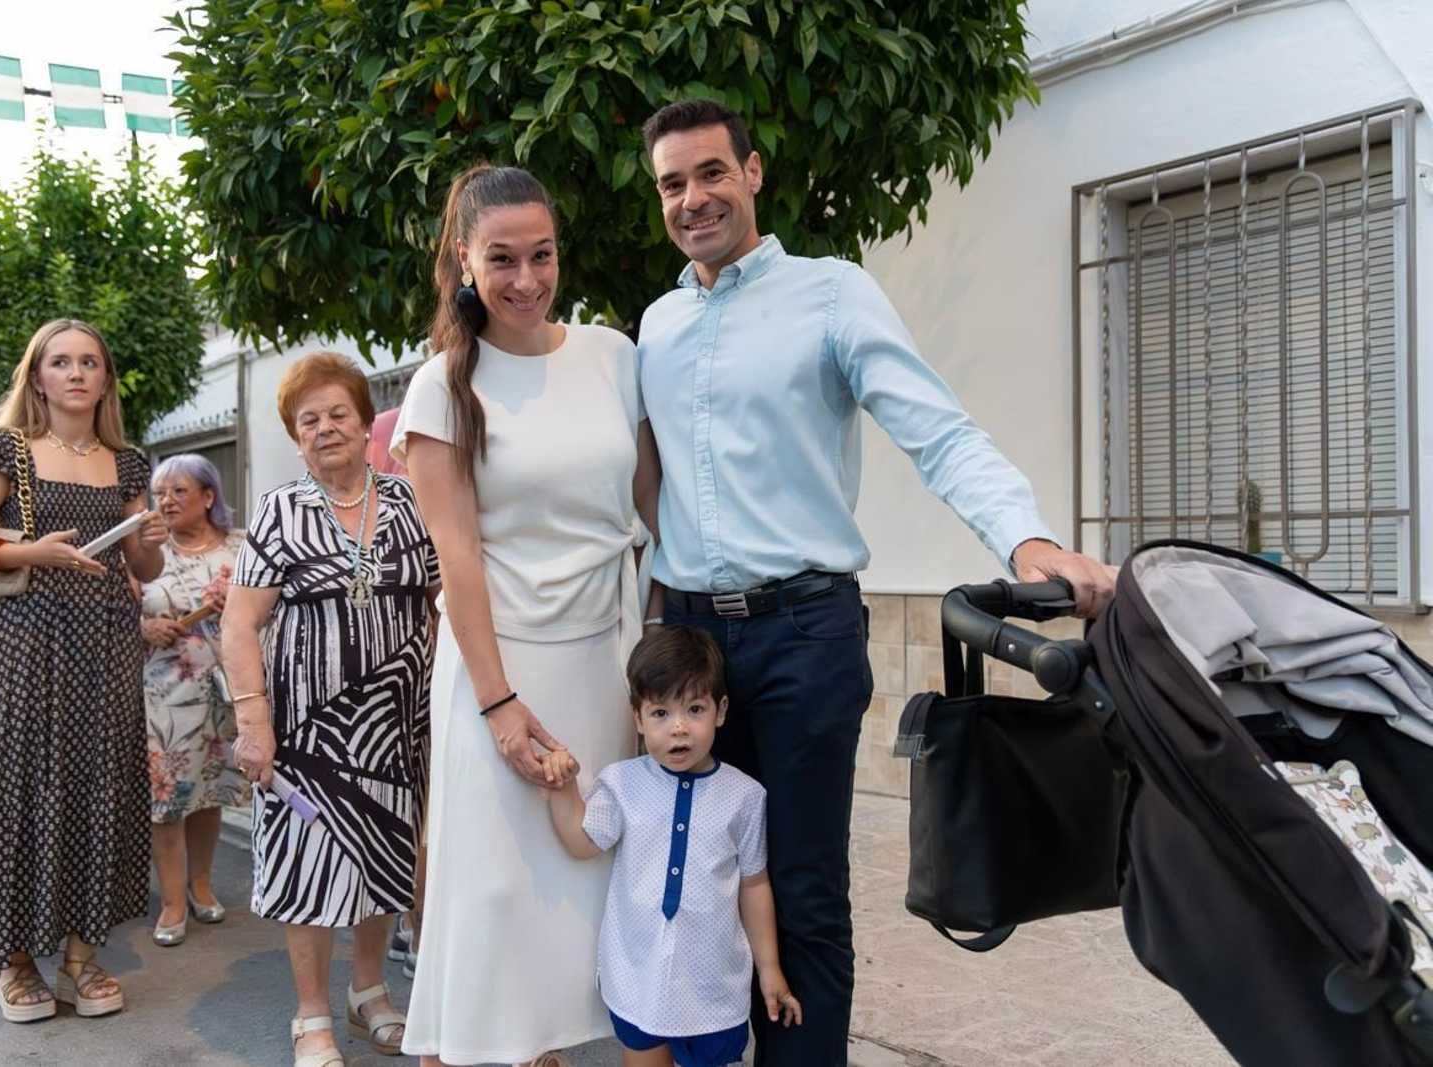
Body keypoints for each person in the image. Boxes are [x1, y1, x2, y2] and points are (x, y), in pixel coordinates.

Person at [636, 100, 1118, 1064]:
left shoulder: (829, 293)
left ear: (754, 171)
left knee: (804, 888)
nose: (693, 199)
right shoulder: (655, 323)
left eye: (710, 173)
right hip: (687, 641)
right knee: (693, 884)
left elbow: (937, 429)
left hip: (803, 634)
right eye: (672, 184)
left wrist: (1027, 542)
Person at [393, 163, 660, 1067]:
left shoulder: (613, 356)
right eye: (501, 258)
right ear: (463, 259)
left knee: (581, 892)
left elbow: (656, 513)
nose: (525, 278)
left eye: (541, 255)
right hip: (497, 666)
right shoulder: (442, 385)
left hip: (604, 654)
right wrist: (499, 704)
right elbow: (457, 559)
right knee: (497, 899)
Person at [0, 318, 168, 1022]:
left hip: (106, 644)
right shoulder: (5, 451)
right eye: (59, 361)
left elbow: (144, 569)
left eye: (88, 362)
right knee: (21, 795)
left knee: (97, 791)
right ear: (37, 376)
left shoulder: (128, 462)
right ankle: (13, 962)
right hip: (29, 641)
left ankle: (77, 958)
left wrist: (150, 538)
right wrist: (28, 554)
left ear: (105, 377)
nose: (74, 373)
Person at [221, 351, 440, 1067]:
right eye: (307, 419)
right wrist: (253, 721)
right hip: (306, 730)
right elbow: (239, 623)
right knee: (308, 868)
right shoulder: (280, 509)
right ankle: (312, 1011)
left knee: (385, 854)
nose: (324, 429)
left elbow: (447, 602)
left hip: (397, 724)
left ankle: (369, 989)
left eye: (338, 413)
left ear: (365, 420)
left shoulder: (411, 499)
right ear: (295, 435)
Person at [542, 625, 803, 1067]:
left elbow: (754, 884)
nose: (678, 728)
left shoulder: (744, 796)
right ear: (638, 719)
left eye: (695, 709)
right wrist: (562, 788)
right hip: (636, 976)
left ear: (720, 711)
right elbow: (583, 842)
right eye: (660, 713)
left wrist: (770, 967)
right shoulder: (622, 784)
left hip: (713, 986)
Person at [139, 453, 249, 947]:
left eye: (178, 491)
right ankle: (172, 902)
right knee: (167, 799)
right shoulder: (144, 554)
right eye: (160, 492)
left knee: (209, 792)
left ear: (208, 497)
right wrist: (144, 626)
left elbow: (270, 613)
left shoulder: (241, 550)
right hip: (164, 692)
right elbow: (118, 611)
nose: (166, 501)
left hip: (226, 691)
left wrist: (241, 608)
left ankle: (201, 884)